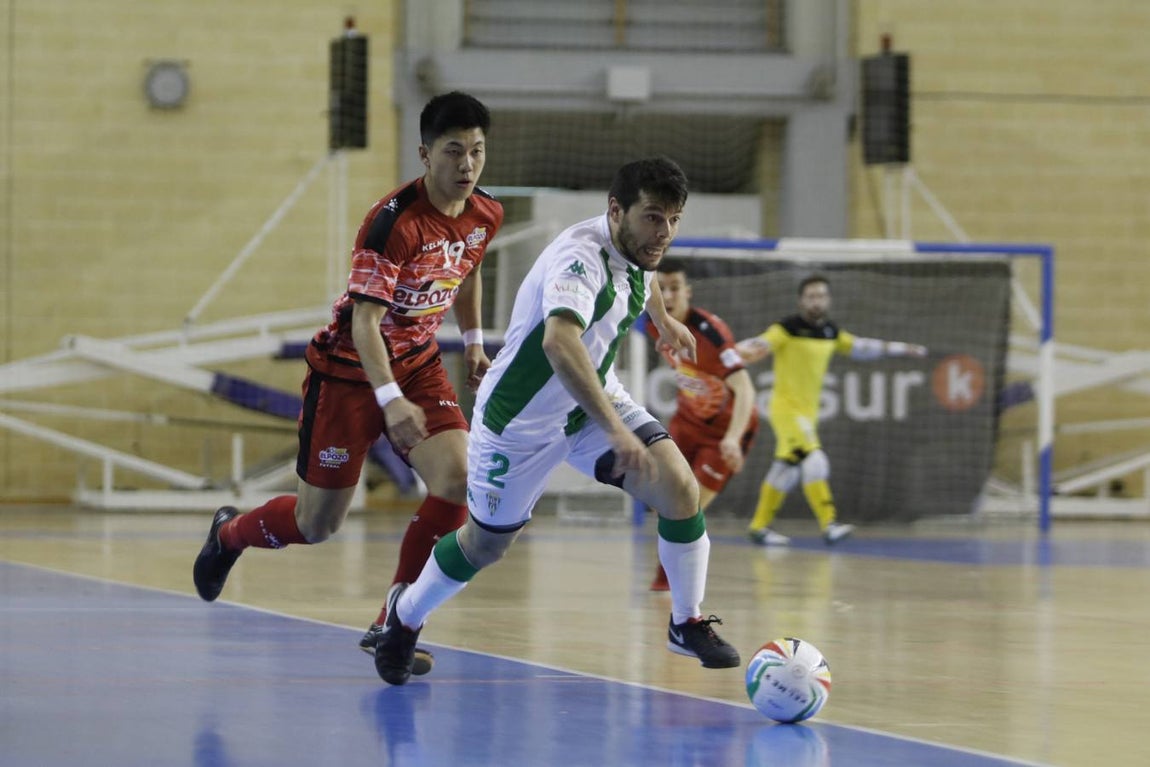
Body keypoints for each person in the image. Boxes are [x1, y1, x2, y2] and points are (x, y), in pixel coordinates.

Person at [371, 157, 741, 685]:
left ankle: (685, 622)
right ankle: (404, 618)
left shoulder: (639, 244)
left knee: (681, 490)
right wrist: (615, 428)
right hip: (520, 421)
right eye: (654, 218)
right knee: (485, 545)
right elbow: (559, 341)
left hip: (590, 399)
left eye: (674, 221)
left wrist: (661, 318)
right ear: (616, 211)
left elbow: (647, 267)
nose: (664, 234)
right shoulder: (580, 258)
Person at [193, 92, 504, 677]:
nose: (468, 164)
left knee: (459, 478)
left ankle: (395, 620)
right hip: (348, 374)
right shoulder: (392, 224)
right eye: (454, 151)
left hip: (420, 363)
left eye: (478, 152)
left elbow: (469, 268)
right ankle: (228, 534)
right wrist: (390, 401)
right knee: (318, 525)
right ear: (425, 154)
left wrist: (476, 340)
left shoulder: (486, 211)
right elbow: (363, 322)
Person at [736, 274, 927, 546]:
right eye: (811, 296)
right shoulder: (787, 329)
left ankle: (758, 527)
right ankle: (830, 524)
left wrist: (901, 349)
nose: (817, 301)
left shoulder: (831, 333)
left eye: (821, 296)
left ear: (829, 300)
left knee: (786, 470)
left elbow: (861, 347)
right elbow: (761, 343)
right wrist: (729, 352)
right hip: (787, 411)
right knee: (816, 462)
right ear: (801, 301)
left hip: (807, 415)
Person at [642, 259, 757, 591]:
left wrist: (733, 439)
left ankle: (670, 590)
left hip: (724, 432)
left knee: (687, 507)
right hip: (687, 419)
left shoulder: (710, 333)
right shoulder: (654, 322)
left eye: (675, 288)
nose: (668, 294)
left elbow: (746, 389)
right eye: (661, 288)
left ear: (688, 292)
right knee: (662, 499)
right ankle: (669, 582)